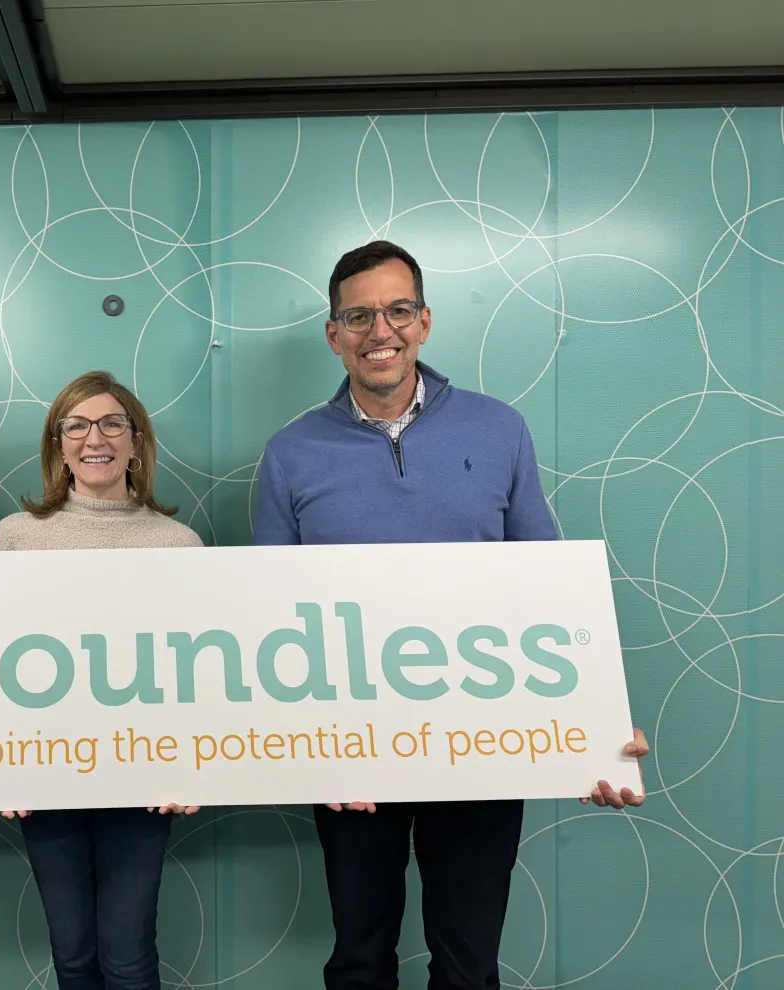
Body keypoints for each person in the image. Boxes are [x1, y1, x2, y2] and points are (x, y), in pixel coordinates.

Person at [253, 240, 649, 990]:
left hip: (483, 742)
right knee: (359, 959)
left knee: (469, 965)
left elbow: (550, 591)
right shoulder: (289, 453)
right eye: (359, 315)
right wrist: (309, 750)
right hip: (350, 749)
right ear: (333, 333)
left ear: (425, 322)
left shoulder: (499, 430)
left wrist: (598, 731)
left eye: (398, 310)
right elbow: (271, 618)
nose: (381, 331)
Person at [0, 369, 202, 990]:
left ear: (137, 442)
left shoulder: (178, 546)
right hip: (44, 774)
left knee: (128, 958)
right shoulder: (16, 539)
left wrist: (196, 765)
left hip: (143, 777)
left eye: (111, 423)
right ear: (59, 444)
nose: (94, 437)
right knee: (73, 957)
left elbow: (198, 672)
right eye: (75, 425)